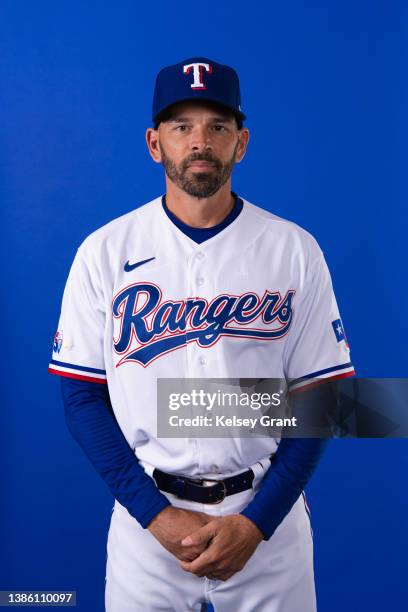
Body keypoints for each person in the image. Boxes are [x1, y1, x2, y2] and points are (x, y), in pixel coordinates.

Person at [49, 57, 355, 611]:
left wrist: (256, 524)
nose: (199, 141)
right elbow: (81, 396)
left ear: (241, 143)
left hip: (269, 520)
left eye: (217, 126)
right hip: (147, 520)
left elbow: (322, 398)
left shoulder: (294, 249)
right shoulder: (103, 252)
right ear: (153, 142)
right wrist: (155, 515)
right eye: (181, 126)